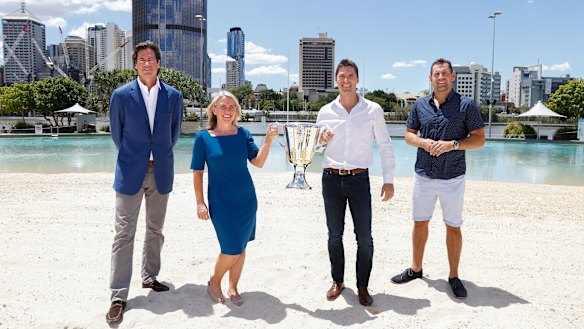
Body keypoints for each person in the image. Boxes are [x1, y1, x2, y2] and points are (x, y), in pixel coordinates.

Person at [390, 58, 485, 299]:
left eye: (444, 74)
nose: (440, 78)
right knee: (419, 222)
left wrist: (452, 144)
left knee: (453, 227)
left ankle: (453, 276)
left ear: (452, 76)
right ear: (430, 78)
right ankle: (416, 269)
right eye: (436, 74)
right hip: (423, 175)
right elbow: (409, 135)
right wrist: (423, 142)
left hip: (453, 177)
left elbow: (479, 139)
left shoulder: (466, 105)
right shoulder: (420, 105)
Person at [106, 41, 183, 324]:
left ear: (159, 63)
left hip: (161, 170)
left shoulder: (174, 96)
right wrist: (136, 157)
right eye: (142, 59)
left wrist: (156, 156)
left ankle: (150, 278)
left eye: (152, 59)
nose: (147, 63)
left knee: (155, 229)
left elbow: (173, 135)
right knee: (124, 233)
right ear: (135, 64)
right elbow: (118, 134)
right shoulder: (121, 95)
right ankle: (118, 295)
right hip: (129, 172)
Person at [316, 59, 396, 306]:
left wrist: (389, 179)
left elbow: (384, 145)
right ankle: (338, 282)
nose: (346, 80)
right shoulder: (325, 111)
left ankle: (362, 286)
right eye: (342, 76)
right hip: (331, 179)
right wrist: (322, 140)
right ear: (336, 80)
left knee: (365, 237)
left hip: (360, 179)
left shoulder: (373, 110)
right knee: (334, 235)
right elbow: (315, 149)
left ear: (358, 79)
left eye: (350, 76)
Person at [191, 91, 278, 306]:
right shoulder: (203, 138)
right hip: (221, 202)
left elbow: (258, 162)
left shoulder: (243, 134)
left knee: (242, 246)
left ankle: (233, 286)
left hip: (246, 200)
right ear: (214, 109)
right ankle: (214, 282)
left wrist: (267, 141)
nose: (228, 111)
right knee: (231, 249)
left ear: (237, 111)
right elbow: (197, 172)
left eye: (232, 107)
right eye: (223, 106)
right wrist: (200, 202)